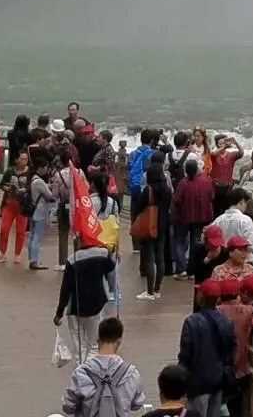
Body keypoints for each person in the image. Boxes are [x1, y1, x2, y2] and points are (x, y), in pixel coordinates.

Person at [59, 316, 146, 416]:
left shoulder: (81, 373)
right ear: (119, 341)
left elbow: (68, 407)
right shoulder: (132, 373)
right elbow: (137, 404)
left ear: (98, 339)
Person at [178, 277, 236, 417]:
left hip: (197, 382)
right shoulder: (226, 321)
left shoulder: (191, 322)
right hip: (217, 381)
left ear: (201, 296)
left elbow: (185, 356)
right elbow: (230, 353)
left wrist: (181, 383)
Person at [54, 237, 116, 364]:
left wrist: (59, 313)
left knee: (79, 349)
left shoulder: (72, 260)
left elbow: (65, 289)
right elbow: (111, 267)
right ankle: (91, 372)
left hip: (75, 309)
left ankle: (81, 373)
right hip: (96, 306)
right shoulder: (102, 254)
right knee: (94, 345)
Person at [217, 273, 253, 417]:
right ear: (237, 293)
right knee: (237, 407)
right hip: (240, 368)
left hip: (218, 368)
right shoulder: (247, 310)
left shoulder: (215, 311)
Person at [133, 153, 171, 300]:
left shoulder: (147, 190)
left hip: (149, 225)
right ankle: (157, 289)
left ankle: (149, 291)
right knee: (160, 257)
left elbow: (139, 208)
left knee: (149, 258)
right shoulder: (167, 190)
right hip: (162, 224)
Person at [172, 156, 215, 279]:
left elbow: (177, 200)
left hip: (183, 217)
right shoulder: (206, 182)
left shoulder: (183, 183)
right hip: (201, 217)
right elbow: (212, 197)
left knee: (179, 241)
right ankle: (192, 270)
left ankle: (181, 270)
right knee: (195, 242)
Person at [90, 171, 121, 301]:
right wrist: (118, 248)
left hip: (93, 240)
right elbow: (116, 226)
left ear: (93, 184)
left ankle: (98, 291)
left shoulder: (88, 202)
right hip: (109, 241)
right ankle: (114, 291)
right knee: (112, 268)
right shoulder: (113, 202)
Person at [0, 149, 31, 263]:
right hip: (10, 204)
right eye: (22, 159)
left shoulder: (30, 172)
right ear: (16, 160)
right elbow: (1, 185)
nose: (24, 161)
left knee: (21, 231)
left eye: (26, 159)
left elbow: (32, 187)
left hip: (22, 205)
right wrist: (9, 189)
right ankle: (2, 252)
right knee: (4, 229)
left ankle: (17, 254)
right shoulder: (10, 171)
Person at [212, 187, 253, 263]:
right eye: (246, 203)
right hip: (242, 261)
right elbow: (251, 246)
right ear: (242, 202)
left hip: (222, 261)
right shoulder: (245, 220)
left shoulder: (218, 220)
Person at [28, 155, 55, 269]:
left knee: (32, 235)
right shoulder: (39, 181)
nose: (46, 170)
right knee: (37, 236)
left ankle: (32, 258)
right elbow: (50, 195)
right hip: (40, 211)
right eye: (45, 167)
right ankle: (34, 260)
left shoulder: (32, 178)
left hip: (32, 211)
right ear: (41, 167)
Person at [208, 135, 243, 217]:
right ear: (216, 144)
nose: (223, 145)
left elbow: (241, 153)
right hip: (215, 187)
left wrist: (236, 142)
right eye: (220, 143)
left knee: (226, 210)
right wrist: (224, 147)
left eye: (224, 143)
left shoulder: (231, 155)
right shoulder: (214, 155)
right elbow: (212, 155)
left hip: (227, 187)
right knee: (215, 210)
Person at [192, 224, 228, 289]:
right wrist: (207, 259)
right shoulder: (198, 250)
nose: (215, 246)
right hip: (203, 285)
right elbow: (192, 270)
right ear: (206, 240)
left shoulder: (225, 252)